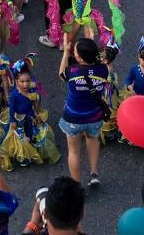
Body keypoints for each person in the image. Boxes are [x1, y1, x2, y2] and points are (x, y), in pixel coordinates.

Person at [57, 37, 108, 188]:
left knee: (74, 151)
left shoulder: (73, 71)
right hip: (94, 115)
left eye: (75, 51)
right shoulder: (103, 70)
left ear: (79, 57)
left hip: (73, 118)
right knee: (92, 139)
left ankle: (77, 186)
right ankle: (94, 174)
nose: (73, 52)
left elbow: (61, 74)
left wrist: (66, 53)